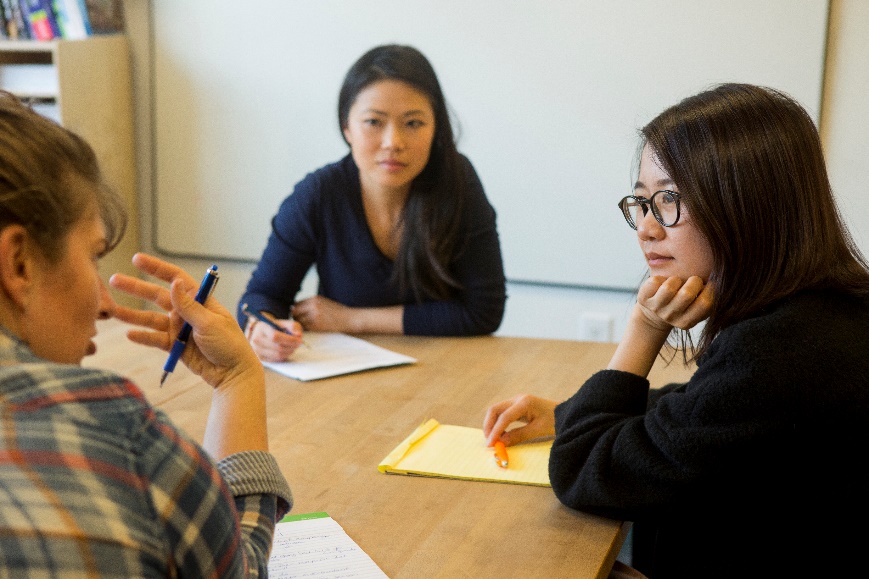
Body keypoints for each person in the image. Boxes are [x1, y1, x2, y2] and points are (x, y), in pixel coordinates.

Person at [483, 84, 869, 578]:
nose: (646, 227)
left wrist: (644, 327)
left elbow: (580, 469)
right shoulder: (824, 313)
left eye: (669, 199)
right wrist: (569, 413)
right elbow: (702, 405)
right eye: (642, 202)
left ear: (746, 203)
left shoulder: (776, 354)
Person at [0, 91, 291, 576]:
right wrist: (240, 379)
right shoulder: (127, 449)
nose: (107, 302)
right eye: (93, 256)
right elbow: (240, 568)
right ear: (19, 263)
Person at [238, 44, 507, 362]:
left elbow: (484, 312)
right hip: (342, 376)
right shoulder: (318, 194)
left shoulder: (458, 181)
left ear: (436, 128)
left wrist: (351, 319)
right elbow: (262, 296)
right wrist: (262, 329)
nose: (393, 142)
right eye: (373, 122)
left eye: (413, 123)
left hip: (445, 369)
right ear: (346, 127)